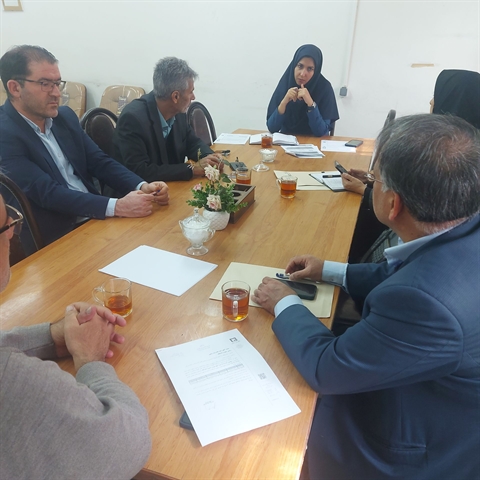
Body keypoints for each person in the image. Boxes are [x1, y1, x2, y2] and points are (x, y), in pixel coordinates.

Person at [253, 114, 480, 479]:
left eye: (374, 180)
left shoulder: (427, 304)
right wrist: (330, 270)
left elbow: (326, 368)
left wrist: (284, 301)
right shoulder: (462, 228)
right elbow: (408, 273)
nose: (369, 185)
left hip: (408, 447)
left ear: (393, 204)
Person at [0, 191, 152, 479]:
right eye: (8, 223)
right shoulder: (14, 381)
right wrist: (91, 361)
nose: (11, 234)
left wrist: (51, 337)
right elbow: (128, 445)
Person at [0, 45, 169, 255]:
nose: (56, 93)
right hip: (55, 238)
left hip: (96, 219)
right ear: (15, 88)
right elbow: (47, 193)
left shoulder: (64, 117)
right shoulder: (4, 134)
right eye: (45, 84)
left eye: (57, 83)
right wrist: (117, 206)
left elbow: (99, 161)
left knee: (165, 239)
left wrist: (142, 185)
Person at [112, 56, 223, 183]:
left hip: (168, 184)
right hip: (134, 190)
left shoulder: (177, 111)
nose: (193, 97)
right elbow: (141, 170)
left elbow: (192, 143)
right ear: (175, 96)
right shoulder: (133, 119)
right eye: (191, 92)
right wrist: (191, 169)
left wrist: (210, 157)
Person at [266, 44, 339, 137]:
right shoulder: (285, 84)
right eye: (300, 66)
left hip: (314, 142)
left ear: (316, 70)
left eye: (310, 69)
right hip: (286, 142)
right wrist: (284, 102)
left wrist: (311, 104)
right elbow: (272, 128)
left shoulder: (324, 88)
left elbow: (321, 132)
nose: (303, 74)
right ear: (294, 65)